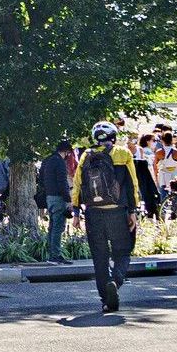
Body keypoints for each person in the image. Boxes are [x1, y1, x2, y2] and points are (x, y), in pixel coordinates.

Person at [73, 122, 140, 314]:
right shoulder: (123, 153)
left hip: (93, 213)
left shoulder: (86, 155)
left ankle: (106, 301)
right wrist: (133, 211)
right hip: (117, 211)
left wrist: (77, 212)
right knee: (124, 251)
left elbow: (77, 184)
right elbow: (132, 184)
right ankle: (116, 280)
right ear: (114, 136)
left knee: (99, 258)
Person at [39, 141, 75, 264]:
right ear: (66, 151)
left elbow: (41, 179)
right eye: (68, 153)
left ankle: (52, 254)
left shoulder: (47, 160)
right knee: (58, 227)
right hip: (59, 197)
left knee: (52, 226)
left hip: (49, 197)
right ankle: (55, 255)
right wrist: (68, 200)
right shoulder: (59, 162)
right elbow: (62, 182)